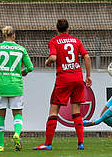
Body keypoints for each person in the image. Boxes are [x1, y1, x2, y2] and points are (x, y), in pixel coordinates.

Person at [33, 19, 92, 151]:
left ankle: (48, 144)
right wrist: (88, 75)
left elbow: (53, 58)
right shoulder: (76, 41)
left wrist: (47, 61)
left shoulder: (54, 41)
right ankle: (81, 143)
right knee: (76, 111)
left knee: (54, 110)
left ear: (56, 29)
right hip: (77, 78)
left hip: (63, 79)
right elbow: (87, 57)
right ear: (68, 28)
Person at [0, 26, 34, 152]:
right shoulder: (21, 49)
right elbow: (31, 67)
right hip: (16, 86)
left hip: (1, 86)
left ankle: (0, 145)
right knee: (17, 114)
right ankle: (17, 134)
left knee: (0, 116)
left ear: (3, 36)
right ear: (14, 35)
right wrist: (24, 71)